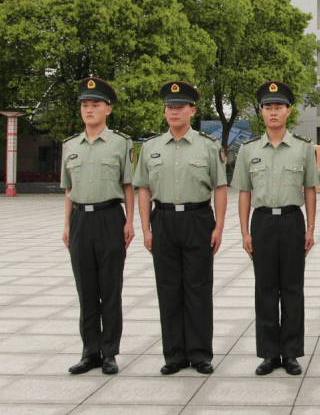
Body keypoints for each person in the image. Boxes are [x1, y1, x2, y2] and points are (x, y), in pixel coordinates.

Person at [135, 81, 227, 375]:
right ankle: (174, 354)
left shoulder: (208, 146)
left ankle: (200, 354)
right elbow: (143, 188)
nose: (174, 112)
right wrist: (146, 228)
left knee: (198, 288)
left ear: (192, 110)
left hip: (198, 219)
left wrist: (219, 227)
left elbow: (221, 188)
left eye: (179, 107)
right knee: (169, 288)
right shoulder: (150, 147)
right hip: (162, 219)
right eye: (169, 107)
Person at [233, 81, 318, 376]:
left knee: (293, 288)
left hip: (293, 220)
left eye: (278, 107)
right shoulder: (248, 150)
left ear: (288, 111)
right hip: (263, 222)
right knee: (266, 289)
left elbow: (310, 188)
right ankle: (270, 354)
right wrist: (245, 232)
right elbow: (244, 192)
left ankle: (291, 352)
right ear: (261, 111)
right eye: (268, 107)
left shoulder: (303, 149)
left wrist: (311, 228)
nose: (273, 112)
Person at [61, 77, 134, 376]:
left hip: (109, 217)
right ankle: (89, 350)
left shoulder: (120, 143)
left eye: (95, 105)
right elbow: (68, 189)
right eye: (85, 105)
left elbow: (129, 185)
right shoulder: (70, 146)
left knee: (110, 288)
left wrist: (131, 221)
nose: (89, 110)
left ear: (108, 109)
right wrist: (66, 224)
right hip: (80, 219)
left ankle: (109, 352)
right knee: (86, 289)